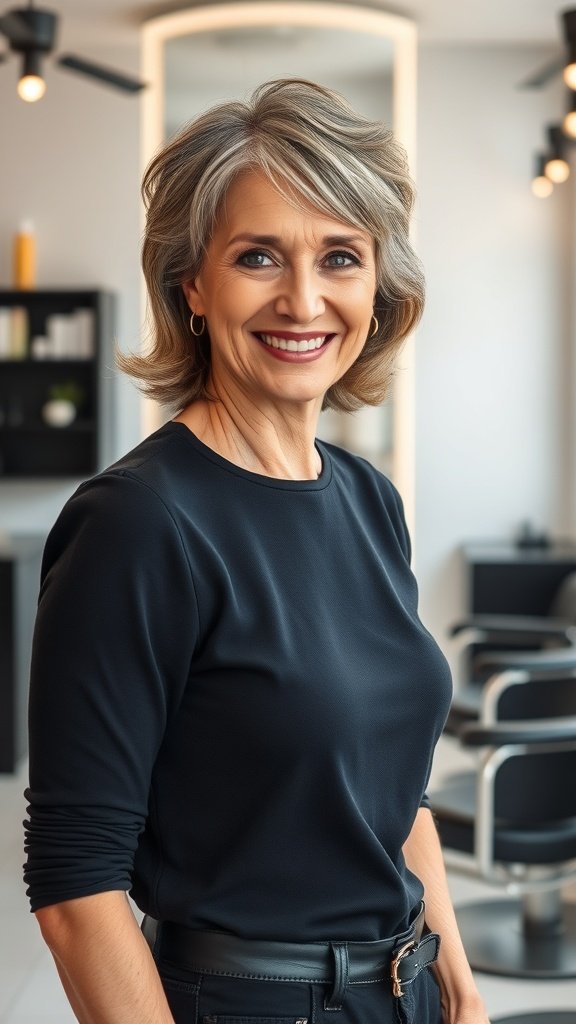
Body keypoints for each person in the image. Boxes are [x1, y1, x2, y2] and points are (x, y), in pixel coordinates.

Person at [23, 78, 489, 1024]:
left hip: (400, 993)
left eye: (341, 258)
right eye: (259, 255)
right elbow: (77, 889)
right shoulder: (138, 523)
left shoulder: (368, 500)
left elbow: (397, 797)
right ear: (192, 282)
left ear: (377, 286)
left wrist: (461, 991)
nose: (304, 299)